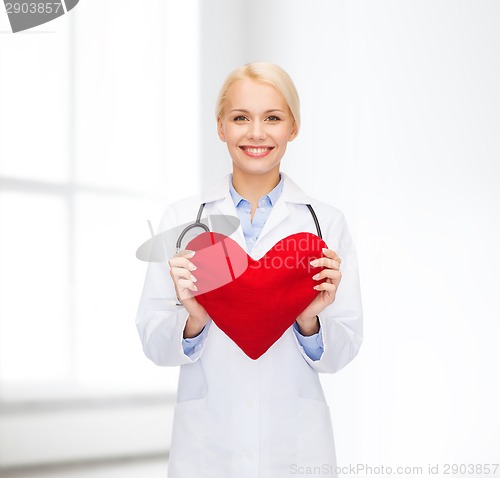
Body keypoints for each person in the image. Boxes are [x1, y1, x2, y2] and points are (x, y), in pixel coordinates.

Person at [136, 62, 363, 478]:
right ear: (220, 127)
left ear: (293, 128)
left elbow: (344, 346)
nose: (256, 133)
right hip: (208, 446)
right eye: (240, 118)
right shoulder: (185, 218)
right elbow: (153, 339)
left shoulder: (325, 224)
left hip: (294, 445)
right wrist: (195, 316)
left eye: (272, 118)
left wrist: (309, 318)